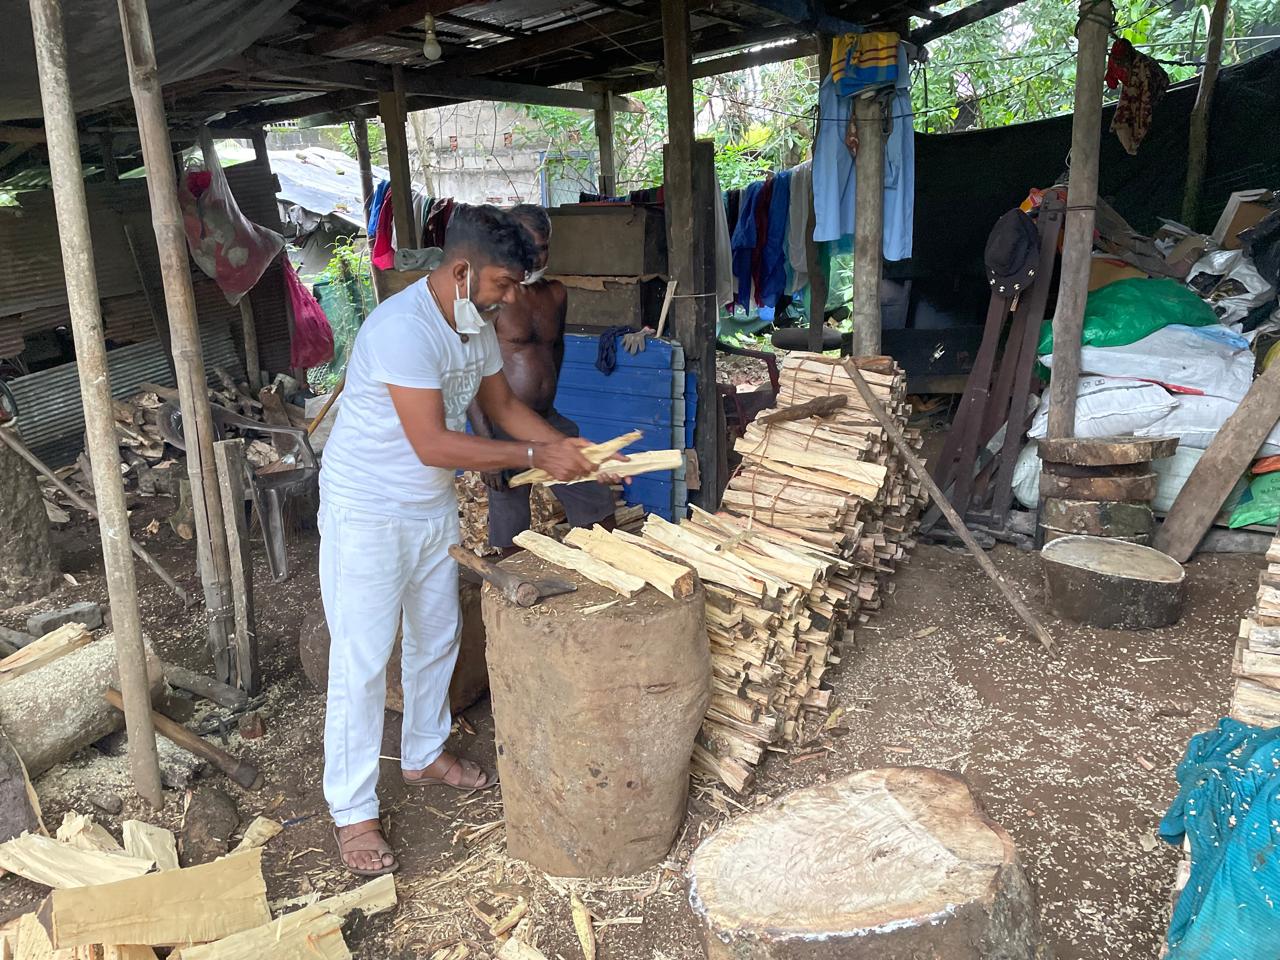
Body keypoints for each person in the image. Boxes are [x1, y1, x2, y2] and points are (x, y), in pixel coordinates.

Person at [318, 204, 612, 877]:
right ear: (460, 270)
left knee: (438, 634)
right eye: (504, 285)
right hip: (367, 510)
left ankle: (422, 752)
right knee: (362, 660)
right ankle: (352, 810)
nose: (512, 300)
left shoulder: (472, 325)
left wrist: (560, 442)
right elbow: (432, 443)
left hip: (428, 509)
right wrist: (537, 462)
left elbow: (506, 406)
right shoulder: (403, 331)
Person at [468, 204, 617, 554]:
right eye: (528, 246)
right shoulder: (493, 300)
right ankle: (520, 599)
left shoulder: (556, 294)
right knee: (512, 533)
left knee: (595, 499)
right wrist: (488, 443)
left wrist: (545, 396)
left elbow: (557, 348)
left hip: (546, 420)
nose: (536, 256)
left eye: (543, 246)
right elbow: (473, 371)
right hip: (501, 424)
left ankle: (598, 578)